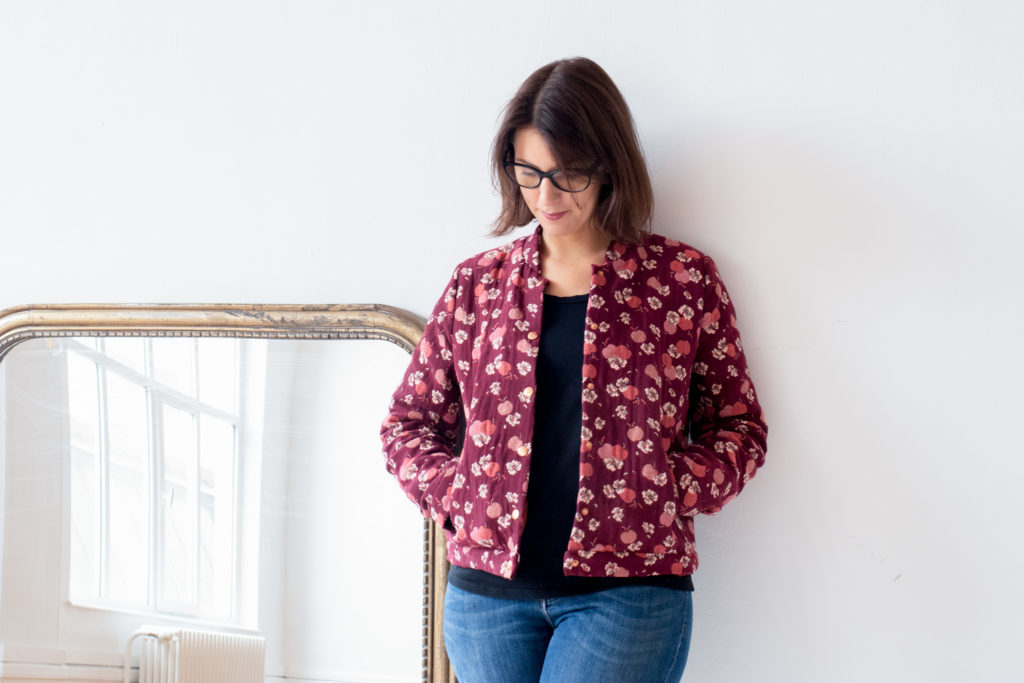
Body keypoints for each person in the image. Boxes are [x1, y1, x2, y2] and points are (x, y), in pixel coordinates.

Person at [380, 57, 767, 683]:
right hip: (485, 600)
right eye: (529, 173)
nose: (546, 197)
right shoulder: (478, 286)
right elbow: (408, 424)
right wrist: (459, 493)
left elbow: (738, 426)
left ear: (609, 164)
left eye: (568, 175)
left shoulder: (681, 282)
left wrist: (664, 490)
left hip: (627, 595)